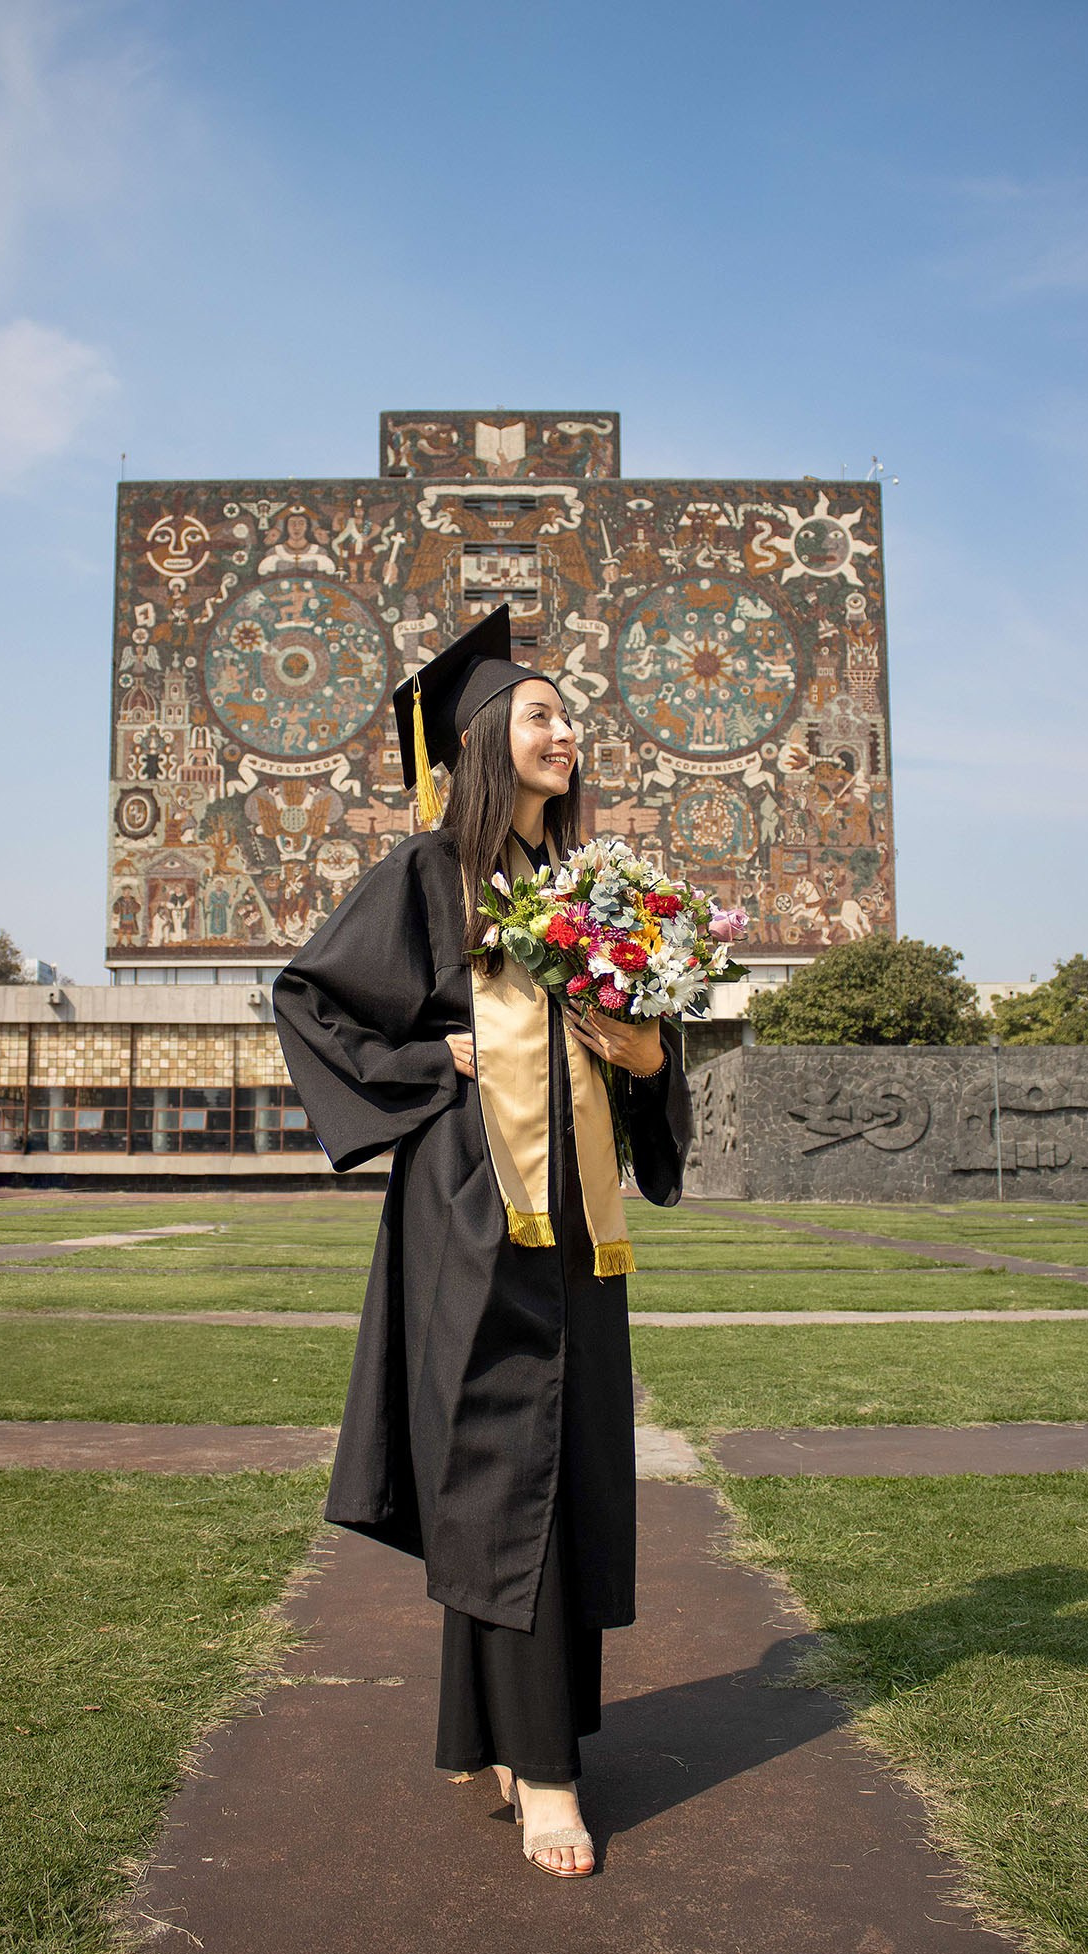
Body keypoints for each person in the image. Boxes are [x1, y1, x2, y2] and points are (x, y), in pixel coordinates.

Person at [272, 604, 692, 1880]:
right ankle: (549, 1774)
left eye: (570, 718)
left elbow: (634, 1060)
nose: (566, 734)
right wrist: (435, 1059)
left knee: (556, 1464)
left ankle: (498, 1731)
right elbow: (311, 1000)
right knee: (505, 1462)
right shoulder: (427, 875)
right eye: (541, 715)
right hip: (473, 1209)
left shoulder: (585, 896)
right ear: (482, 740)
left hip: (580, 1226)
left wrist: (648, 1056)